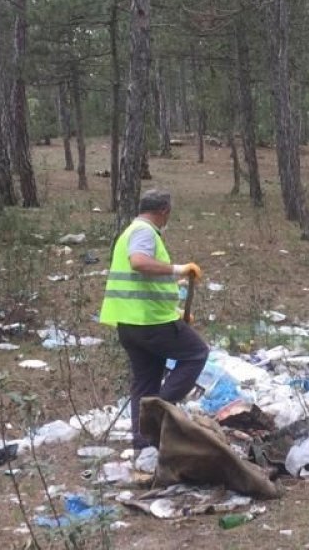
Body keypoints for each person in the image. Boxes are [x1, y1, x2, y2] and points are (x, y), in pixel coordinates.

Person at [99, 189, 209, 448]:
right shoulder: (144, 232)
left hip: (130, 323)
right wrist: (178, 269)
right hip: (150, 322)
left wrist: (178, 312)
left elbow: (144, 281)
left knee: (146, 380)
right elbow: (139, 263)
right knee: (196, 354)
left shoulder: (129, 232)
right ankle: (158, 410)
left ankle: (143, 440)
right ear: (163, 211)